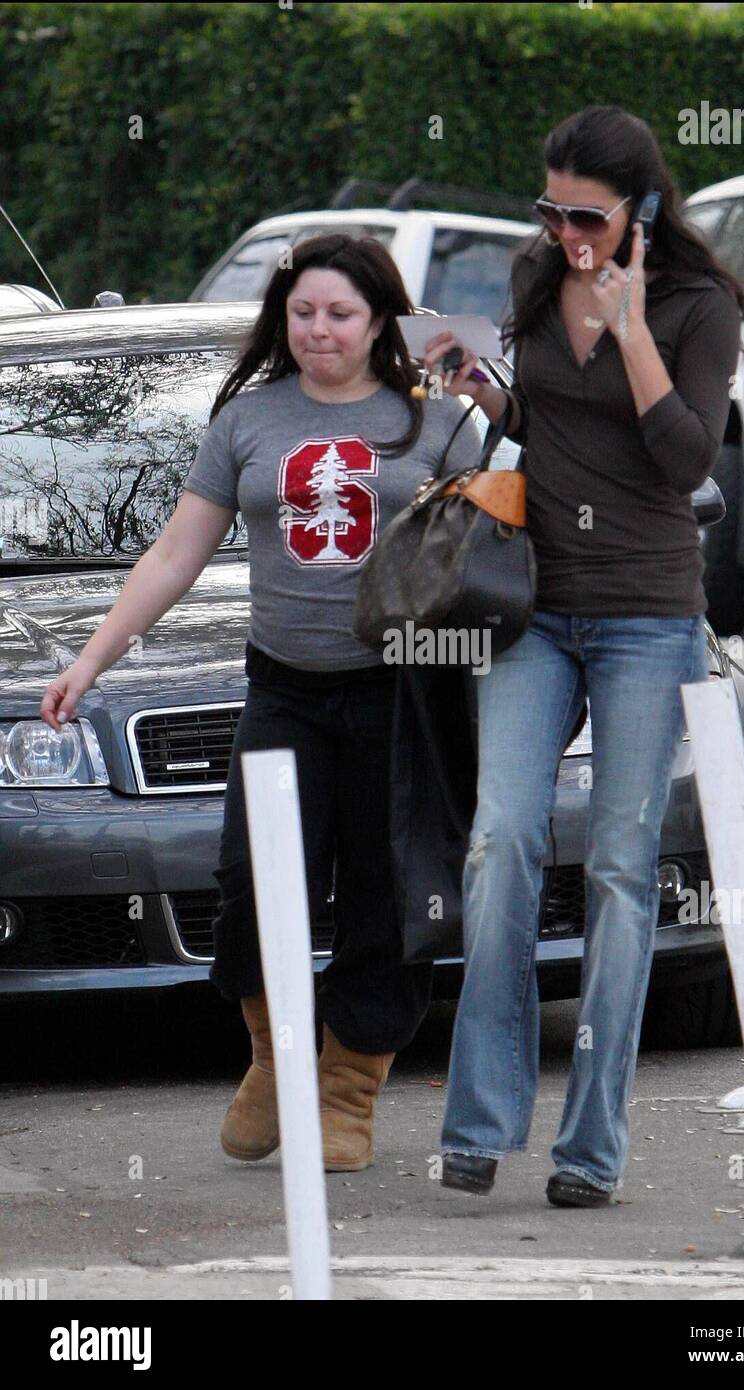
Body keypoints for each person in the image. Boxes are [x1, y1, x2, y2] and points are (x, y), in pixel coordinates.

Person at [39, 233, 482, 1172]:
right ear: (283, 318)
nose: (320, 331)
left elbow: (490, 552)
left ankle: (349, 1088)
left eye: (342, 314)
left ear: (380, 322)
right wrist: (91, 662)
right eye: (304, 312)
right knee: (251, 880)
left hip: (405, 693)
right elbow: (173, 553)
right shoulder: (248, 418)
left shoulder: (436, 418)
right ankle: (275, 1060)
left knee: (385, 890)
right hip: (285, 691)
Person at [423, 105, 744, 1205]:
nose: (565, 232)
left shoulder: (700, 306)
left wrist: (633, 329)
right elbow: (544, 422)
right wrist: (488, 395)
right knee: (501, 839)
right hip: (534, 601)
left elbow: (685, 458)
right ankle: (477, 1123)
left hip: (647, 613)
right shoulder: (532, 278)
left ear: (641, 211)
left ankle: (591, 1146)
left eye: (585, 215)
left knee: (619, 867)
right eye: (549, 208)